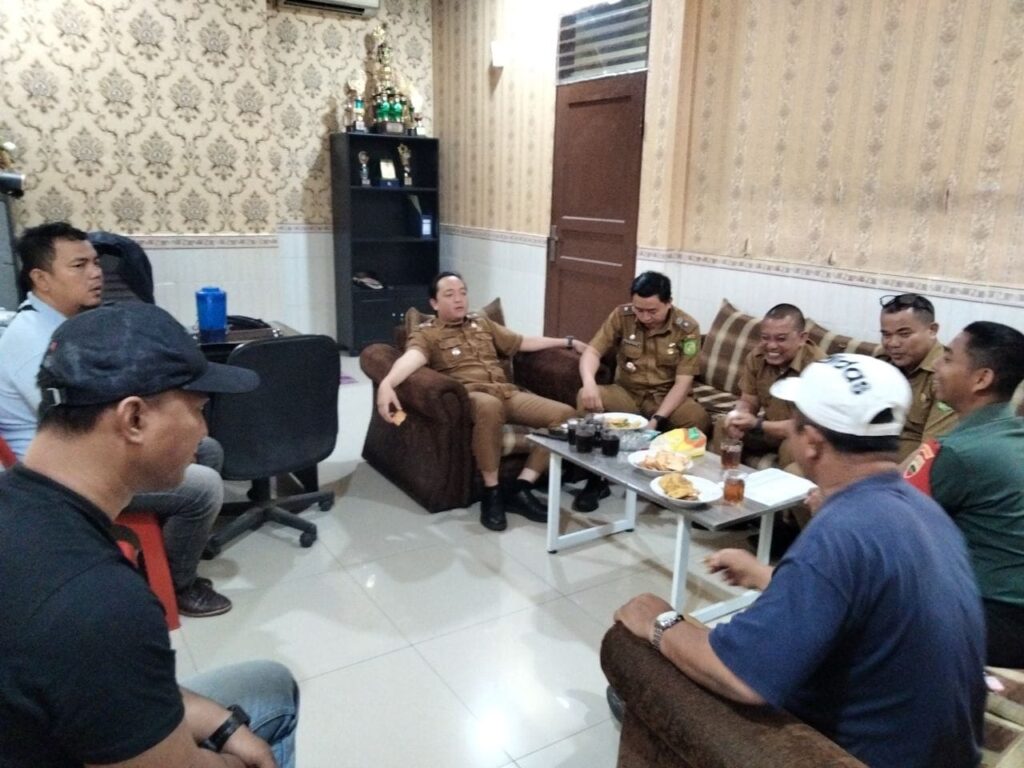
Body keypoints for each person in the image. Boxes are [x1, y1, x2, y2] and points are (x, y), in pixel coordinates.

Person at [614, 354, 985, 768]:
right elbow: (866, 598)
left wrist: (659, 621)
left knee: (642, 647)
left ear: (810, 442)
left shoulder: (840, 532)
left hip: (848, 754)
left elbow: (741, 677)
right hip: (946, 753)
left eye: (794, 421)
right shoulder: (922, 509)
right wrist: (768, 575)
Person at [0, 302, 298, 767]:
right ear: (134, 419)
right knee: (273, 699)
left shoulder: (22, 510)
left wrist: (219, 722)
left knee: (264, 684)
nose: (203, 431)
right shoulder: (100, 604)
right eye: (198, 409)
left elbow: (102, 684)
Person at [0, 222, 232, 617]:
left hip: (88, 448)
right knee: (204, 487)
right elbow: (80, 431)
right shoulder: (32, 341)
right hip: (66, 477)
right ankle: (178, 585)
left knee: (207, 448)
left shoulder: (64, 326)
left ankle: (176, 545)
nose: (96, 273)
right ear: (41, 279)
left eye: (95, 262)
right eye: (79, 266)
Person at [375, 271, 581, 531]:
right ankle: (491, 492)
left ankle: (521, 487)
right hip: (472, 396)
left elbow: (521, 342)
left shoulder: (481, 323)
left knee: (566, 415)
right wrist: (387, 383)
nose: (459, 299)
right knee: (489, 406)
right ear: (434, 303)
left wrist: (567, 341)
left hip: (506, 393)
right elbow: (412, 358)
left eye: (462, 293)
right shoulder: (427, 334)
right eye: (449, 295)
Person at [904, 321, 1024, 668]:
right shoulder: (1010, 431)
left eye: (948, 358)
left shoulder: (959, 453)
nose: (936, 367)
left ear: (981, 379)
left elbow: (890, 526)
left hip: (992, 620)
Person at [575, 271, 710, 511]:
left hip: (665, 396)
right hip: (627, 392)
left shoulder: (687, 328)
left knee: (697, 418)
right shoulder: (622, 316)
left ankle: (673, 483)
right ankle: (595, 479)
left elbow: (683, 382)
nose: (645, 317)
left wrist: (657, 419)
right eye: (639, 310)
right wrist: (589, 382)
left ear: (669, 303)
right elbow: (593, 351)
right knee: (586, 400)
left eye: (652, 311)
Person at [722, 303, 823, 467]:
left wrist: (757, 424)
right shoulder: (757, 357)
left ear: (802, 338)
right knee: (725, 425)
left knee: (792, 447)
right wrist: (739, 415)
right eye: (765, 338)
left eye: (781, 339)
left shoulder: (819, 368)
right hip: (768, 428)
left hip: (801, 433)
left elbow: (805, 426)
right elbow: (748, 400)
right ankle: (726, 477)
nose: (771, 346)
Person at [878, 293, 957, 461]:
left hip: (902, 470)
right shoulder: (883, 363)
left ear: (932, 330)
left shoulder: (948, 377)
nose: (893, 343)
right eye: (886, 335)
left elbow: (928, 452)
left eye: (904, 334)